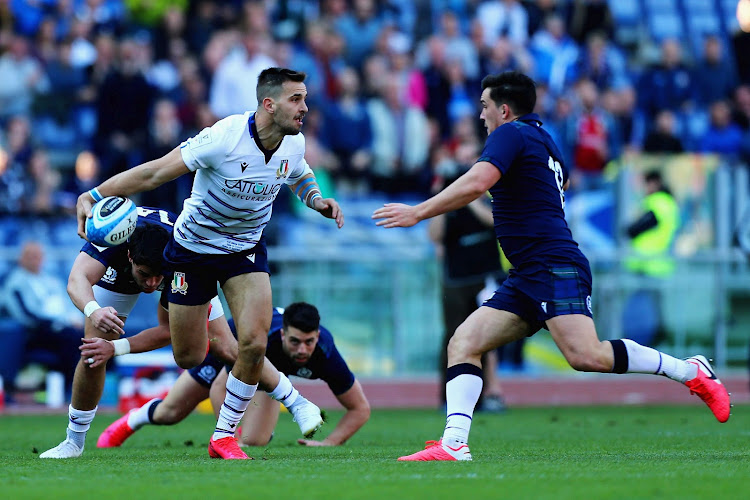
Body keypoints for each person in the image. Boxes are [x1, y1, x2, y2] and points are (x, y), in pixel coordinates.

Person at [372, 71, 731, 462]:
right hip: (528, 272)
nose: (481, 116)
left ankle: (689, 370)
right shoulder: (545, 140)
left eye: (484, 106)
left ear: (504, 110)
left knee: (586, 356)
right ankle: (454, 444)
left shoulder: (509, 134)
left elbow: (478, 182)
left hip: (552, 264)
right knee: (463, 342)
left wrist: (419, 211)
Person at [75, 67, 344, 460]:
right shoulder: (224, 137)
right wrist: (95, 192)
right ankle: (276, 402)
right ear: (269, 104)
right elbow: (154, 173)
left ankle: (224, 436)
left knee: (252, 343)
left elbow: (298, 175)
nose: (305, 107)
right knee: (190, 355)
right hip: (193, 251)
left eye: (304, 98)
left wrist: (317, 199)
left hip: (245, 251)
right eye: (296, 99)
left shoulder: (295, 143)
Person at [40, 207, 322, 458]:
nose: (150, 284)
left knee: (225, 344)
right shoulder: (110, 240)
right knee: (93, 353)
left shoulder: (181, 260)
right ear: (129, 256)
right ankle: (74, 442)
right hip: (122, 272)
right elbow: (76, 280)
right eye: (144, 274)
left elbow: (167, 330)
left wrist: (117, 348)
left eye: (156, 277)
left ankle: (297, 403)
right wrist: (94, 310)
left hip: (181, 265)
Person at [96, 303, 370, 448]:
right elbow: (221, 387)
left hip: (265, 377)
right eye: (295, 341)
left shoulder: (326, 353)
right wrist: (229, 436)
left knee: (257, 441)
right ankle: (128, 422)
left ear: (317, 336)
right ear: (283, 334)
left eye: (309, 342)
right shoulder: (264, 341)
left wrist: (330, 443)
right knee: (171, 412)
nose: (302, 349)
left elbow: (360, 408)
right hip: (224, 346)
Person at [0, 241, 82, 396]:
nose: (35, 260)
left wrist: (74, 318)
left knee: (89, 336)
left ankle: (90, 386)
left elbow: (69, 304)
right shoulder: (15, 282)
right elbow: (25, 314)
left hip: (62, 326)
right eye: (30, 256)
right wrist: (53, 324)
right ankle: (68, 387)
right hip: (35, 330)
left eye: (38, 256)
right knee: (70, 338)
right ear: (21, 259)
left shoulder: (51, 280)